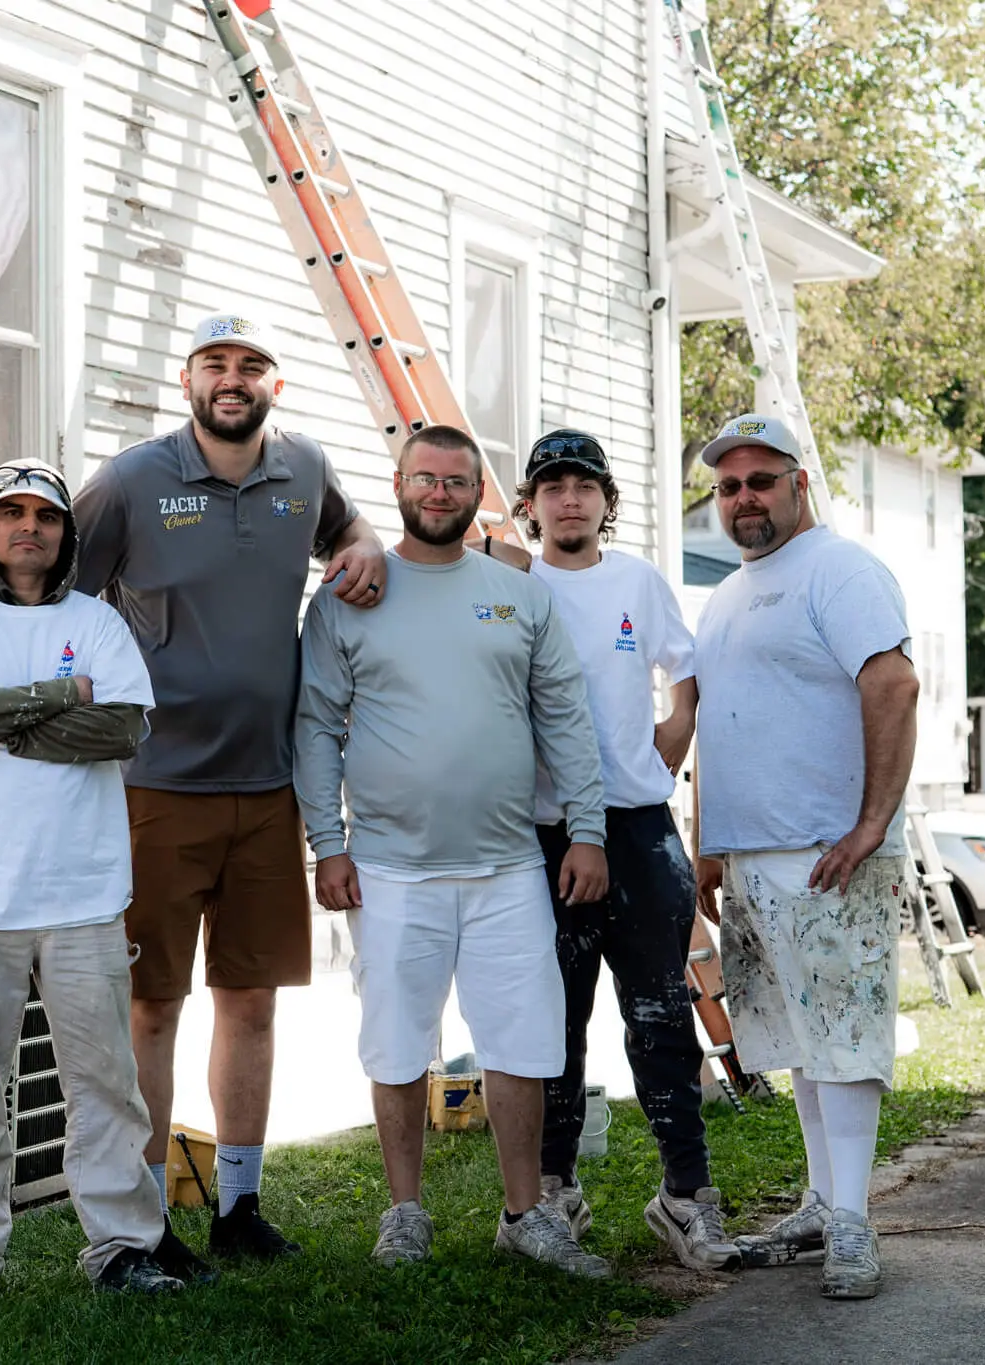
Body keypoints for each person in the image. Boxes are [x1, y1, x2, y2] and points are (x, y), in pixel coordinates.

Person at [0, 311, 387, 1274]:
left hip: (270, 781)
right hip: (154, 792)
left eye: (252, 364)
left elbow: (341, 525)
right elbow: (37, 567)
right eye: (216, 364)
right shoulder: (132, 479)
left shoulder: (304, 468)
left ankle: (239, 1207)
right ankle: (147, 1215)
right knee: (151, 1010)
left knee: (252, 1001)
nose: (233, 378)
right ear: (188, 380)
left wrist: (367, 536)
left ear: (275, 384)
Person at [294, 423, 615, 1277]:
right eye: (424, 478)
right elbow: (317, 727)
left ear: (481, 495)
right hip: (391, 868)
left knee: (522, 1042)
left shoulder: (519, 594)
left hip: (510, 863)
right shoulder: (349, 596)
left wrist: (588, 828)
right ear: (396, 483)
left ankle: (524, 1212)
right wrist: (328, 843)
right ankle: (405, 1212)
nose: (439, 492)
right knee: (397, 1044)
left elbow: (565, 720)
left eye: (456, 481)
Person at [0, 459, 184, 1306]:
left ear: (67, 532)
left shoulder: (97, 621)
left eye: (46, 515)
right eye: (10, 513)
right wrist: (60, 693)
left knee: (105, 1088)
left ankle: (124, 1247)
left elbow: (120, 731)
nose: (29, 526)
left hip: (84, 896)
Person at [689, 414, 921, 1300]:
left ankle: (855, 1223)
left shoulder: (841, 570)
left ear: (799, 484)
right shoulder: (728, 592)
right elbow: (719, 721)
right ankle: (824, 1201)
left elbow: (893, 683)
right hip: (751, 859)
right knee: (800, 1040)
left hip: (831, 854)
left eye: (762, 479)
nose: (745, 497)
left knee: (846, 1039)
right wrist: (711, 847)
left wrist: (870, 823)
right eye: (729, 485)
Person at [514, 430, 742, 1271]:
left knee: (657, 1017)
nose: (569, 498)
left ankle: (685, 1195)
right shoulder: (511, 582)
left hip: (638, 829)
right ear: (529, 503)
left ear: (608, 499)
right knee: (553, 1024)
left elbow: (684, 675)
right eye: (552, 485)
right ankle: (552, 1191)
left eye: (584, 485)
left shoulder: (637, 581)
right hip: (540, 833)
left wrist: (663, 751)